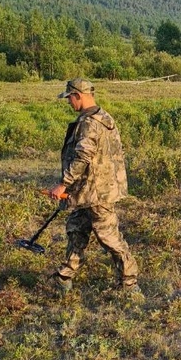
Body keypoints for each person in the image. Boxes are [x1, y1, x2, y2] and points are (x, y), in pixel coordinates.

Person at [47, 78, 139, 296]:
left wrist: (63, 184)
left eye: (70, 98)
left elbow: (82, 157)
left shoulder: (89, 123)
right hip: (89, 190)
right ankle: (65, 276)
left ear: (78, 95)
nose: (69, 102)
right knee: (76, 229)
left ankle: (130, 283)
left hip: (97, 193)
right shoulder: (104, 117)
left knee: (109, 237)